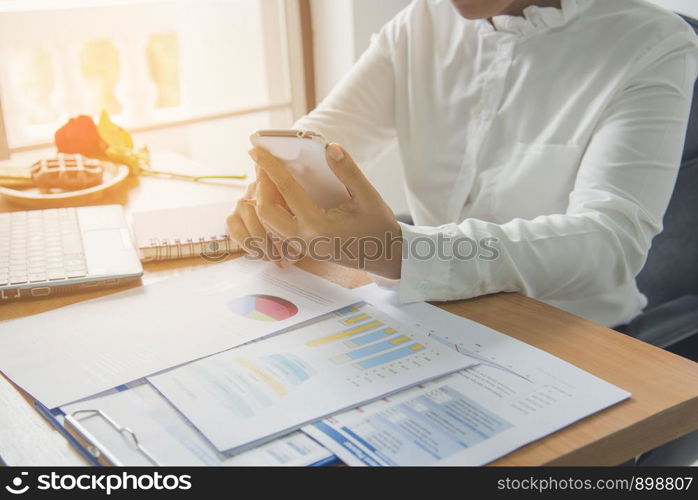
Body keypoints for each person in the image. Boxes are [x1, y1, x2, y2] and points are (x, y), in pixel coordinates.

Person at [227, 0, 698, 328]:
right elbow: (328, 134)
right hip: (431, 316)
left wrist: (403, 252)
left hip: (573, 332)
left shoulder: (651, 42)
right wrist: (278, 191)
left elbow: (608, 242)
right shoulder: (420, 23)